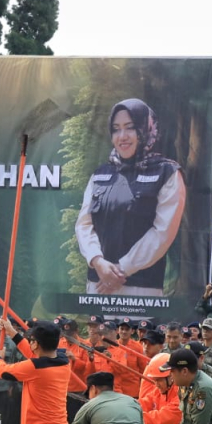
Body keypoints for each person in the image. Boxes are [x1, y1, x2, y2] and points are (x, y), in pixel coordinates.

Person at [75, 98, 185, 296]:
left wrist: (121, 269)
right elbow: (84, 225)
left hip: (142, 290)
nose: (122, 136)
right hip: (98, 286)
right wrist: (97, 262)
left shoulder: (167, 173)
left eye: (130, 127)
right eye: (116, 129)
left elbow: (162, 233)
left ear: (145, 129)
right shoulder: (100, 174)